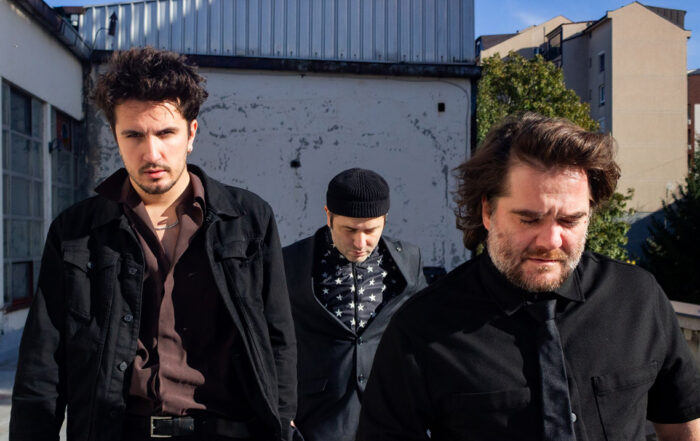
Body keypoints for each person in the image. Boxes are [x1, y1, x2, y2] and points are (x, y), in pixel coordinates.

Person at [10, 47, 296, 441]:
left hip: (225, 430)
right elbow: (43, 359)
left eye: (165, 133)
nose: (151, 153)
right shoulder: (78, 230)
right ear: (116, 137)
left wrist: (281, 423)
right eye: (133, 135)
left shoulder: (248, 219)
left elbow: (277, 339)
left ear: (191, 133)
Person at [357, 113, 700, 441]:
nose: (550, 241)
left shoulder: (637, 300)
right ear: (488, 211)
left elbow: (683, 426)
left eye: (569, 221)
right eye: (529, 219)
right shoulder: (420, 327)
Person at [283, 168, 428, 441]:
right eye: (349, 229)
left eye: (371, 230)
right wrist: (282, 412)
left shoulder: (409, 260)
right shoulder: (290, 262)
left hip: (390, 417)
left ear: (385, 219)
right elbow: (269, 338)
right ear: (328, 215)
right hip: (316, 420)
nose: (360, 242)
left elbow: (424, 334)